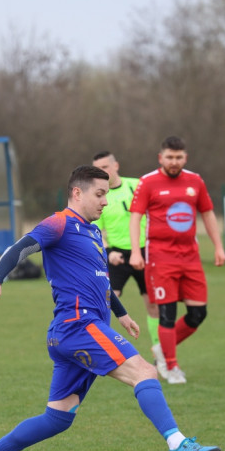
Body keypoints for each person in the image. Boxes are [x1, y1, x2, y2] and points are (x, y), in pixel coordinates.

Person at [0, 165, 221, 451]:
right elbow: (21, 247)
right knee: (144, 371)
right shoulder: (59, 223)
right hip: (78, 326)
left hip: (71, 331)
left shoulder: (93, 233)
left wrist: (122, 313)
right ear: (77, 192)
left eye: (107, 195)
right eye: (99, 194)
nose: (105, 202)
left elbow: (98, 281)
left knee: (58, 418)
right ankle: (177, 443)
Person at [128, 136, 225, 385]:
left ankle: (161, 350)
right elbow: (135, 218)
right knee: (167, 313)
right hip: (161, 258)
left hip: (191, 257)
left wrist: (218, 247)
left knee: (198, 313)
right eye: (170, 157)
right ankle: (170, 366)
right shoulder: (148, 182)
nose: (174, 162)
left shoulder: (195, 181)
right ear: (161, 158)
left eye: (179, 157)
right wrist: (136, 251)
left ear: (186, 157)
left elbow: (207, 213)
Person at [91, 150, 164, 372]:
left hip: (144, 253)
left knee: (153, 305)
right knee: (106, 303)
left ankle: (160, 354)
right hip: (117, 256)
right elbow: (98, 231)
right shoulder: (97, 195)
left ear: (116, 166)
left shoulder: (138, 185)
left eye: (105, 167)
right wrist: (108, 251)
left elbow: (155, 214)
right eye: (97, 169)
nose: (101, 172)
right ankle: (101, 354)